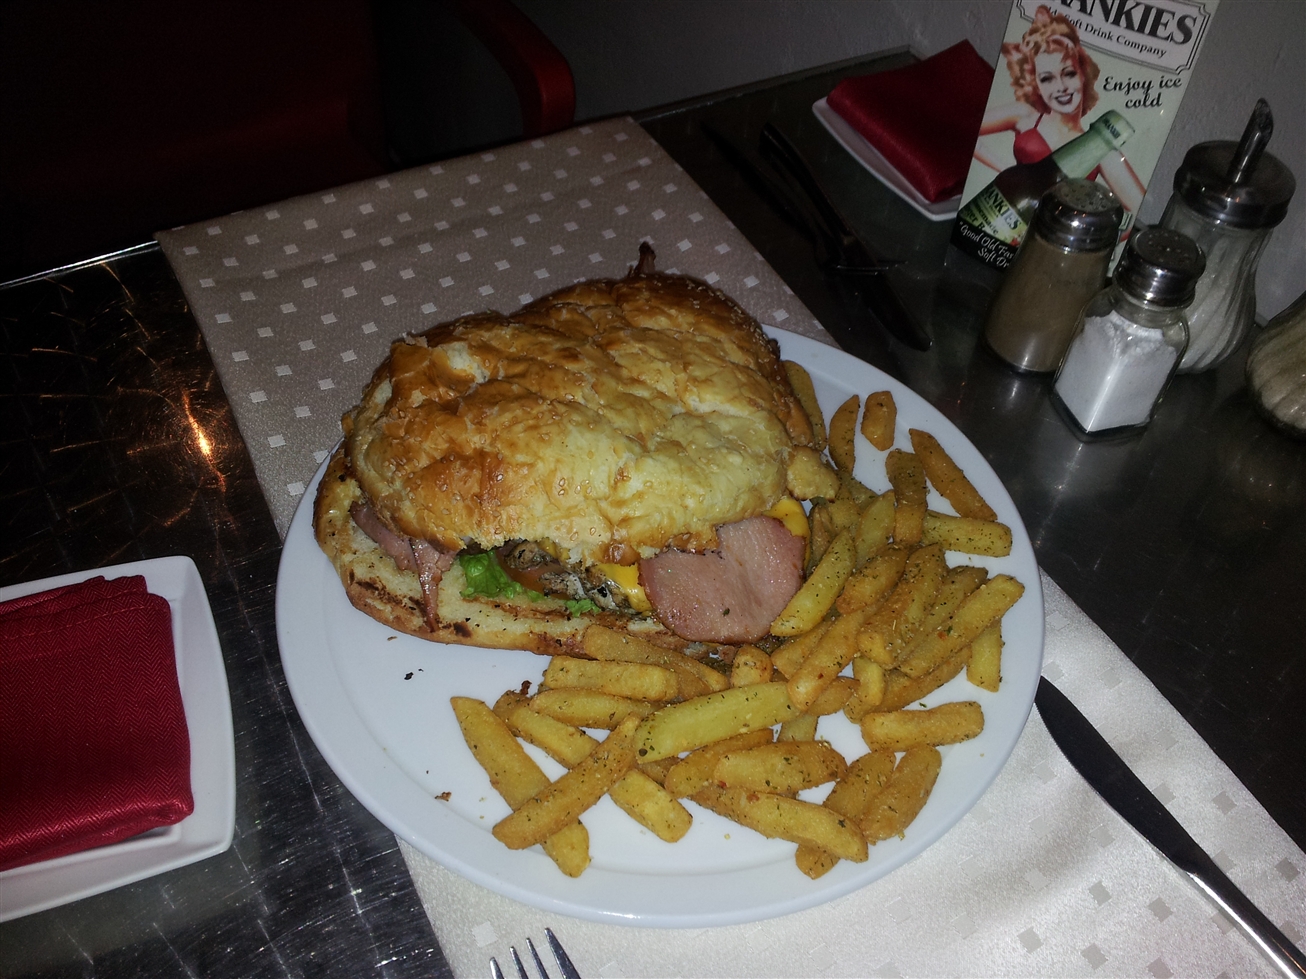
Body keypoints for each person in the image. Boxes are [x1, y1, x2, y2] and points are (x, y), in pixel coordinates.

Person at [974, 5, 1145, 218]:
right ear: (1036, 84)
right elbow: (971, 131)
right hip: (996, 217)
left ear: (1083, 75)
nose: (1061, 87)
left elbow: (1136, 208)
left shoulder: (1100, 147)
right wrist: (1005, 172)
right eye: (1047, 78)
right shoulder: (1025, 115)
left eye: (1069, 74)